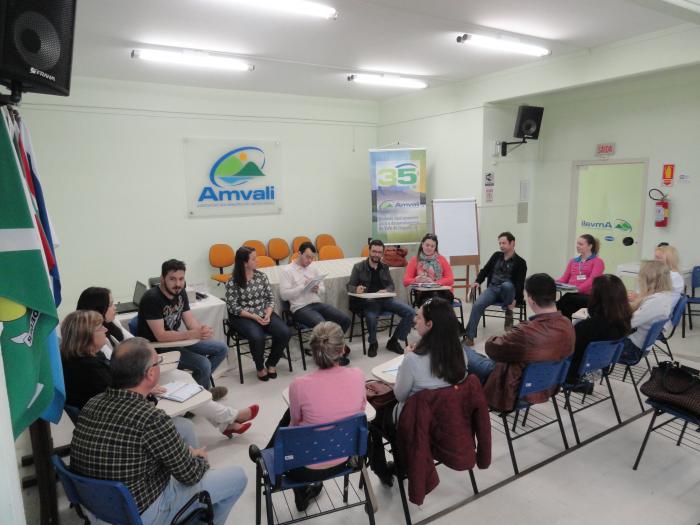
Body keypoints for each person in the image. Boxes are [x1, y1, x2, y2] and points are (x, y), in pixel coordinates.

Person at [70, 337, 247, 525]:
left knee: (184, 427)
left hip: (97, 508)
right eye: (158, 362)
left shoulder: (92, 403)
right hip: (140, 513)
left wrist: (183, 455)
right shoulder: (152, 418)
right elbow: (190, 475)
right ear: (150, 374)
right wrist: (199, 457)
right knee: (238, 477)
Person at [76, 288, 258, 437]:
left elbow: (135, 342)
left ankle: (226, 421)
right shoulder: (94, 344)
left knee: (181, 376)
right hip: (132, 384)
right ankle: (230, 417)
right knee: (190, 379)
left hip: (137, 372)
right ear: (98, 310)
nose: (114, 307)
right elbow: (112, 377)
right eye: (110, 305)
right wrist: (144, 385)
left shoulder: (109, 325)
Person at [263, 322, 365, 511]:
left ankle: (300, 491)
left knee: (293, 426)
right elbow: (360, 411)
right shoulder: (358, 375)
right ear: (343, 350)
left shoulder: (299, 385)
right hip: (346, 459)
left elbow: (295, 426)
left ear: (312, 350)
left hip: (302, 469)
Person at [368, 297, 469, 485]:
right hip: (449, 418)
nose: (415, 320)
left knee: (370, 418)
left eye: (419, 317)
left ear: (430, 324)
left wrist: (407, 359)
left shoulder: (413, 360)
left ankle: (385, 470)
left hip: (416, 423)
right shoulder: (460, 353)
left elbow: (400, 395)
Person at [466, 273, 575, 411]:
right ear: (555, 296)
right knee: (477, 357)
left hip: (512, 387)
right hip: (547, 385)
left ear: (531, 300)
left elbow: (492, 349)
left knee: (459, 350)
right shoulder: (567, 324)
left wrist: (498, 337)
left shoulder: (526, 332)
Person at [137, 259, 228, 399]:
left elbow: (189, 319)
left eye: (181, 279)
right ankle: (199, 397)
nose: (178, 284)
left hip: (177, 341)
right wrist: (191, 334)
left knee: (221, 348)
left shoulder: (181, 292)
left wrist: (200, 329)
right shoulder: (152, 299)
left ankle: (198, 392)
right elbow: (161, 336)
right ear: (162, 279)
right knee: (203, 364)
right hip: (158, 348)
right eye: (172, 279)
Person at [225, 246, 291, 381]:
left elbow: (270, 298)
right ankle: (260, 367)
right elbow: (232, 307)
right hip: (243, 315)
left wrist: (268, 313)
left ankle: (271, 363)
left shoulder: (261, 276)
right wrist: (253, 316)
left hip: (263, 311)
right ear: (244, 262)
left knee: (285, 332)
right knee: (257, 337)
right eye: (254, 259)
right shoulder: (232, 281)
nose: (258, 261)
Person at [279, 241, 351, 364]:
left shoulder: (313, 268)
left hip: (316, 303)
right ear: (299, 254)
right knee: (322, 326)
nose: (310, 260)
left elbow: (323, 290)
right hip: (300, 307)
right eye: (307, 257)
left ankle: (332, 348)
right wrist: (303, 286)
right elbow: (284, 295)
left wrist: (317, 289)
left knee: (344, 319)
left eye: (312, 258)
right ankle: (333, 356)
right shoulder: (287, 271)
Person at [346, 239, 416, 357]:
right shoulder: (358, 267)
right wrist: (356, 289)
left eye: (379, 252)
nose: (376, 255)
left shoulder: (384, 267)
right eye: (374, 251)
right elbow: (349, 286)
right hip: (368, 301)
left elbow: (391, 285)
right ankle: (373, 343)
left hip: (385, 299)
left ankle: (394, 341)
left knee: (410, 312)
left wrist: (387, 290)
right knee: (371, 317)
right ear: (369, 251)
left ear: (382, 253)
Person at [565, 275, 632, 389]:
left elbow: (570, 353)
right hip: (601, 366)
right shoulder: (625, 322)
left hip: (573, 373)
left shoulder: (586, 327)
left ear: (597, 297)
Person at [464, 232, 527, 346]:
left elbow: (520, 283)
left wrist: (516, 299)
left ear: (512, 243)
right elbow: (485, 270)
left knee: (507, 285)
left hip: (508, 292)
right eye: (500, 243)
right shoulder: (496, 256)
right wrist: (478, 281)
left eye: (504, 243)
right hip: (493, 289)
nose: (501, 246)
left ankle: (508, 309)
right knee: (477, 304)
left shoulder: (521, 262)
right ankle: (469, 337)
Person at [619, 260, 677, 362]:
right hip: (639, 345)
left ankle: (594, 370)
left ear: (649, 279)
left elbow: (627, 324)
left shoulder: (655, 302)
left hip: (632, 349)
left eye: (641, 275)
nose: (638, 278)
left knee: (591, 338)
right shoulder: (664, 296)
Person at [556, 234, 605, 319]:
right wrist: (552, 283)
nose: (577, 246)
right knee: (564, 303)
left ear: (590, 246)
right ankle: (566, 326)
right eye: (577, 244)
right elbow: (564, 279)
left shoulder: (598, 262)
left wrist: (577, 289)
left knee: (564, 302)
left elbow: (592, 281)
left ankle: (566, 327)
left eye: (581, 244)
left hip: (589, 296)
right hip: (573, 295)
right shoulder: (573, 261)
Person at [403, 233, 455, 307]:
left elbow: (450, 279)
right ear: (422, 245)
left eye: (432, 246)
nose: (429, 248)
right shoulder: (415, 260)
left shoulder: (441, 259)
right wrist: (416, 280)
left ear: (435, 248)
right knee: (432, 304)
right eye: (427, 245)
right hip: (424, 294)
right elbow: (405, 281)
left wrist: (434, 283)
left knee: (438, 302)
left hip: (443, 293)